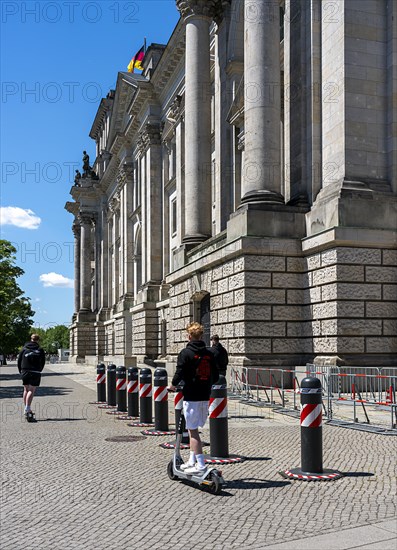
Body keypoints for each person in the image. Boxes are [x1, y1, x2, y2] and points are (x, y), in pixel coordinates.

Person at [168, 322, 219, 474]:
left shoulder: (185, 353)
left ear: (189, 336)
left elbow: (180, 372)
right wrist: (206, 384)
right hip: (205, 396)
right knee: (194, 429)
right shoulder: (210, 354)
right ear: (201, 336)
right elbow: (216, 375)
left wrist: (172, 385)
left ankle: (201, 465)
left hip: (191, 396)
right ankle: (191, 460)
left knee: (193, 432)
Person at [17, 334, 46, 422]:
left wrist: (20, 370)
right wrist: (40, 369)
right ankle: (27, 408)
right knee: (31, 390)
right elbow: (43, 361)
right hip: (35, 371)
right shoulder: (40, 350)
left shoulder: (24, 349)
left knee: (25, 389)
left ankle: (27, 409)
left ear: (31, 339)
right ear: (38, 340)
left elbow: (19, 360)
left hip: (25, 370)